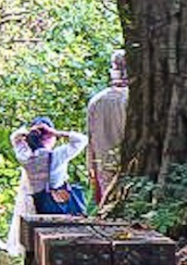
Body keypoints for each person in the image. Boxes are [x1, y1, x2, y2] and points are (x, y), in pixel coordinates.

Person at [12, 117, 88, 215]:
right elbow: (82, 140)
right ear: (52, 137)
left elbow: (15, 139)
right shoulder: (57, 156)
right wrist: (56, 132)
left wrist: (29, 133)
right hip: (63, 206)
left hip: (42, 207)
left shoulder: (25, 158)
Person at [85, 50, 128, 208]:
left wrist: (92, 170)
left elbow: (91, 143)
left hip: (103, 164)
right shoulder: (134, 99)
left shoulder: (96, 101)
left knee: (109, 207)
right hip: (130, 162)